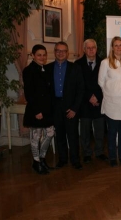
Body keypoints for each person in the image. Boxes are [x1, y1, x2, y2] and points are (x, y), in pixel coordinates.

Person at [47, 42, 84, 170]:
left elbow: (80, 90)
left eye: (63, 51)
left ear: (67, 53)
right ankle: (62, 159)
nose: (61, 53)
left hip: (71, 106)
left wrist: (74, 108)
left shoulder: (75, 68)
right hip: (56, 105)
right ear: (54, 52)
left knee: (72, 134)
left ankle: (75, 160)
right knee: (60, 135)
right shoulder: (48, 68)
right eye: (58, 50)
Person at [99, 36, 121, 167]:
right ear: (112, 48)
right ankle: (112, 157)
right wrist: (111, 93)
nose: (118, 47)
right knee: (112, 132)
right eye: (116, 45)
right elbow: (100, 82)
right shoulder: (105, 63)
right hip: (112, 103)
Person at [23, 44, 55, 174]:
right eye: (39, 55)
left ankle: (41, 158)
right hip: (36, 109)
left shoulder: (46, 69)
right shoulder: (28, 70)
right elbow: (29, 93)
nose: (42, 57)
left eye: (44, 55)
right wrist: (37, 111)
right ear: (33, 56)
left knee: (50, 133)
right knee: (36, 136)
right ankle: (36, 161)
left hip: (47, 109)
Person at [75, 39, 107, 164]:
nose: (91, 50)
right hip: (84, 102)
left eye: (93, 47)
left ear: (96, 48)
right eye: (88, 48)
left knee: (99, 130)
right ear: (84, 50)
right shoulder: (77, 64)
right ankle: (87, 153)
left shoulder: (104, 63)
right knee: (85, 131)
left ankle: (99, 152)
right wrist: (90, 97)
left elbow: (105, 82)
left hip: (99, 102)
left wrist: (97, 98)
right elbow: (79, 84)